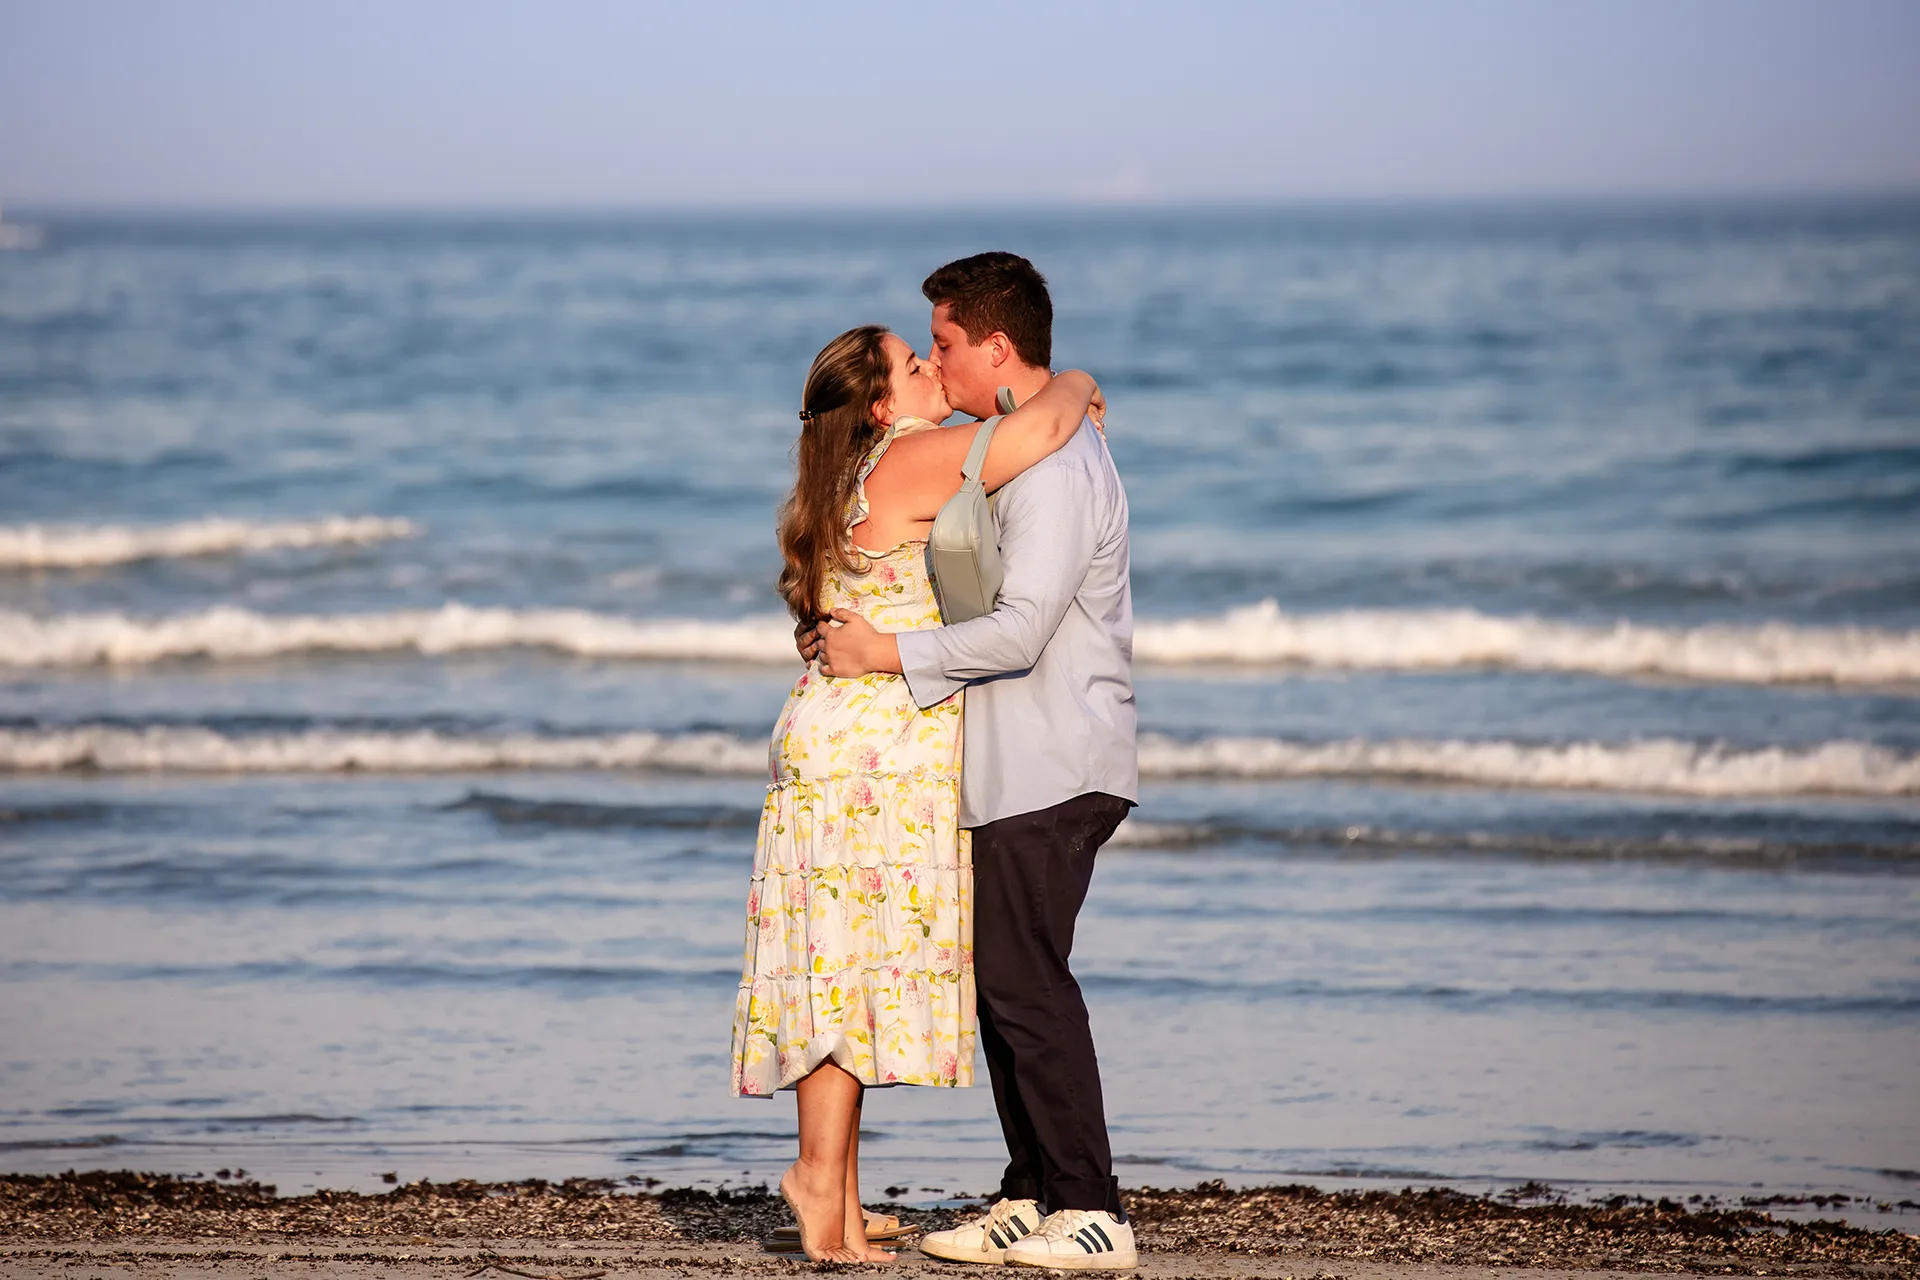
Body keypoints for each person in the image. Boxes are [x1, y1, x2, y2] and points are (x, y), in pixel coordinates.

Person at [731, 320, 1107, 1263]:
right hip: (870, 759)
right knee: (843, 971)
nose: (932, 368)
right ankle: (820, 1188)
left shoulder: (851, 477)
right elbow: (1030, 436)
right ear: (880, 406)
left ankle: (840, 1194)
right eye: (912, 364)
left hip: (849, 744)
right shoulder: (913, 458)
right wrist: (1078, 381)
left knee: (840, 967)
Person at [813, 253, 1141, 1270]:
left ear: (995, 346)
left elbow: (1021, 629)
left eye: (946, 345)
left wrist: (883, 652)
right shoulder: (1027, 444)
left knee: (1024, 981)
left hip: (1056, 759)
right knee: (1003, 982)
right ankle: (1032, 1189)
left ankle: (1092, 1209)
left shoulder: (1055, 464)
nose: (940, 365)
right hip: (1013, 763)